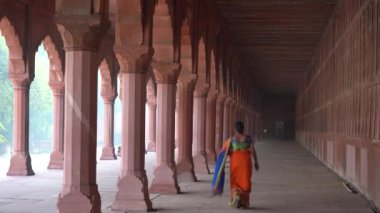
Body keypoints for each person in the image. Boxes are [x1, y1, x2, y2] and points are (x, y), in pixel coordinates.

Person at [211, 121, 259, 209]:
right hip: (245, 164)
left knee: (235, 182)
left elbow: (224, 153)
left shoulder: (231, 140)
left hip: (235, 164)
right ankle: (243, 202)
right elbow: (253, 150)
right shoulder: (248, 139)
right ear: (243, 129)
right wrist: (256, 162)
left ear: (235, 129)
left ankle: (236, 195)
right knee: (245, 181)